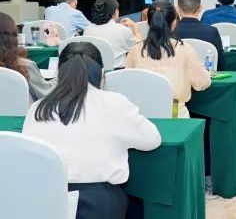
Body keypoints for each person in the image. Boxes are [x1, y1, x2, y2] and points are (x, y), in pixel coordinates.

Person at [23, 42, 161, 219]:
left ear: (58, 72)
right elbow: (152, 140)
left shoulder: (38, 107)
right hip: (101, 204)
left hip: (46, 200)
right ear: (102, 73)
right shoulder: (114, 103)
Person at [125, 0, 211, 118]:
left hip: (142, 117)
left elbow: (128, 84)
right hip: (175, 116)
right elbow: (202, 83)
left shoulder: (135, 50)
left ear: (148, 22)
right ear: (174, 23)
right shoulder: (186, 50)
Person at [0, 12, 55, 101]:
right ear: (13, 37)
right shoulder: (25, 66)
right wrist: (61, 77)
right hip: (23, 110)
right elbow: (47, 94)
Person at [83, 0, 142, 69]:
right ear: (116, 11)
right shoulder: (123, 30)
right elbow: (139, 46)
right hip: (117, 73)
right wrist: (134, 26)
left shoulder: (87, 29)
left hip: (92, 73)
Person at [173, 0, 225, 69]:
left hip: (177, 76)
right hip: (206, 76)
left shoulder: (171, 31)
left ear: (178, 9)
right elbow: (220, 64)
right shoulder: (212, 32)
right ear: (200, 8)